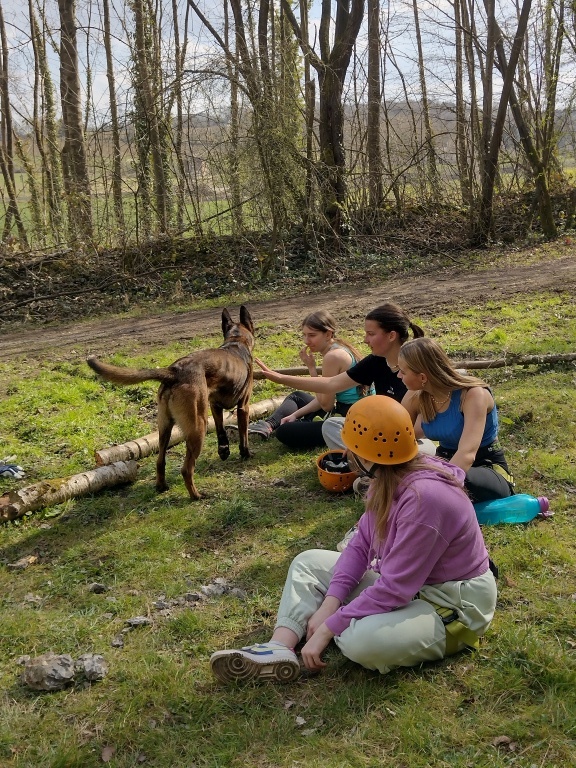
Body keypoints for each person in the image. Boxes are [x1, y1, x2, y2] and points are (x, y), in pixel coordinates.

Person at [210, 395, 497, 684]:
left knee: (358, 641)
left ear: (369, 455)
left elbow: (395, 587)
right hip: (412, 586)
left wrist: (328, 628)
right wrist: (329, 605)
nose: (345, 452)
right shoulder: (387, 478)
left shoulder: (426, 499)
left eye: (352, 446)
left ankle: (365, 628)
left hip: (451, 605)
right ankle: (279, 648)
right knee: (307, 562)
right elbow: (361, 545)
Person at [255, 302, 430, 452]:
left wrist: (377, 439)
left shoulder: (416, 366)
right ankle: (367, 462)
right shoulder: (376, 361)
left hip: (404, 440)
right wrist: (280, 378)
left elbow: (419, 427)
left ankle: (372, 464)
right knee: (331, 425)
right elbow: (330, 384)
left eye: (371, 334)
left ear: (392, 336)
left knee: (290, 431)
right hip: (375, 430)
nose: (365, 340)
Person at [397, 337, 514, 503]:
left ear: (422, 377)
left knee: (429, 483)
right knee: (407, 479)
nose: (398, 375)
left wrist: (434, 484)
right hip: (443, 461)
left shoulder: (473, 395)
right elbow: (398, 437)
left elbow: (467, 455)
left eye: (403, 371)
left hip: (484, 465)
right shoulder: (416, 396)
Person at [234, 310, 368, 450]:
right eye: (304, 335)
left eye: (312, 335)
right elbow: (325, 397)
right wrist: (295, 414)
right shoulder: (340, 347)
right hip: (345, 410)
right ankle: (267, 426)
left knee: (285, 432)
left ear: (328, 334)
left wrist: (312, 370)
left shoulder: (333, 356)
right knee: (297, 397)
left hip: (349, 421)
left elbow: (326, 405)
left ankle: (292, 424)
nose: (306, 341)